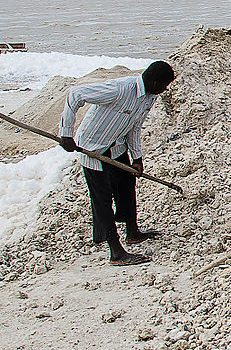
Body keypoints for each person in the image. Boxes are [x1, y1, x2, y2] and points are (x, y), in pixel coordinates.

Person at [58, 60, 175, 266]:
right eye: (164, 86)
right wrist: (66, 134)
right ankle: (116, 252)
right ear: (155, 82)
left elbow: (135, 126)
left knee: (127, 186)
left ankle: (133, 232)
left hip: (117, 145)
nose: (165, 90)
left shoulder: (149, 97)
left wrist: (137, 158)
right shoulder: (119, 89)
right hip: (93, 148)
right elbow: (75, 94)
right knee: (102, 199)